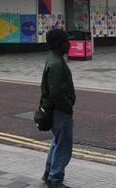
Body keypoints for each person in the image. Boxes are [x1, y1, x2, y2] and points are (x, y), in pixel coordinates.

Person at [40, 29, 76, 188]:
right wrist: (68, 107)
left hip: (56, 111)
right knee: (63, 147)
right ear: (58, 44)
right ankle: (55, 180)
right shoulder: (55, 64)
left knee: (57, 142)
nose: (69, 43)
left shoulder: (54, 59)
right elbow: (57, 93)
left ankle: (48, 173)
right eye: (66, 41)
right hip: (60, 112)